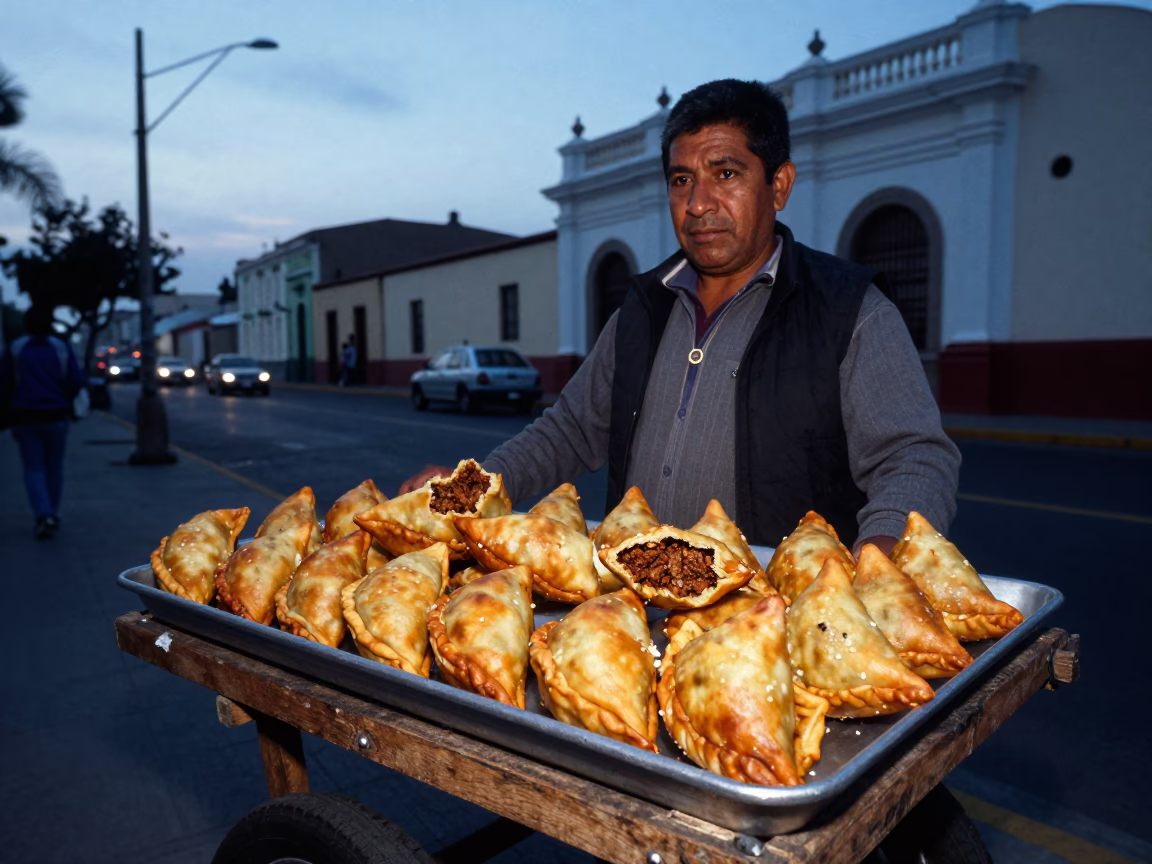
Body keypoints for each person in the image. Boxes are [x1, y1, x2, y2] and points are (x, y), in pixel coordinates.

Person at [400, 79, 960, 556]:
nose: (698, 204)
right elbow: (567, 432)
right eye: (681, 179)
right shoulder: (643, 308)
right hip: (633, 612)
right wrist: (467, 488)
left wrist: (881, 556)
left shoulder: (850, 311)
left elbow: (914, 457)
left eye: (726, 174)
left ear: (779, 185)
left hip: (770, 627)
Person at [0, 305, 86, 539]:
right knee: (54, 466)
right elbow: (75, 381)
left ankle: (43, 513)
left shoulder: (15, 349)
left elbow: (4, 382)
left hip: (24, 416)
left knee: (33, 467)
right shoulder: (60, 349)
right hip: (56, 415)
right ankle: (52, 512)